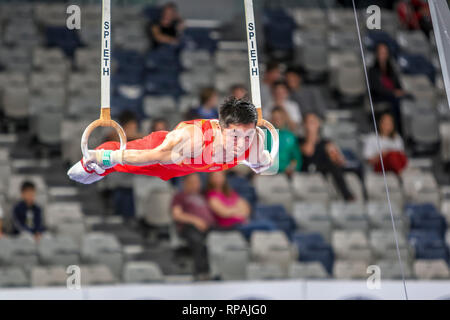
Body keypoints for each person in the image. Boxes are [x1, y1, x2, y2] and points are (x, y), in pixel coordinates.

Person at [68, 97, 272, 184]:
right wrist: (106, 156)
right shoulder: (193, 139)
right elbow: (151, 156)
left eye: (248, 136)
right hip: (161, 154)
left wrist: (262, 162)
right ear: (220, 128)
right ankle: (101, 157)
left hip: (184, 169)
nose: (241, 143)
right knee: (94, 168)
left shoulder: (253, 142)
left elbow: (262, 165)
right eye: (235, 136)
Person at [299, 113, 354, 201]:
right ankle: (347, 196)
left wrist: (334, 154)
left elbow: (340, 161)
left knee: (335, 166)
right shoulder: (300, 140)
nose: (310, 125)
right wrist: (311, 135)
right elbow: (308, 152)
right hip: (308, 167)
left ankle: (349, 196)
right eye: (308, 122)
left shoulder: (326, 142)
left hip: (326, 169)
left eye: (313, 122)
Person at [171, 173, 214, 279]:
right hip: (189, 227)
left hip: (209, 227)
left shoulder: (203, 196)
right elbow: (177, 215)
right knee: (197, 240)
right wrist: (196, 221)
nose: (196, 185)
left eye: (197, 182)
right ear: (185, 183)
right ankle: (202, 273)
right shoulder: (179, 197)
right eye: (192, 182)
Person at [368, 43, 408, 136]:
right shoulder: (372, 70)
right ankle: (398, 132)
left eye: (385, 52)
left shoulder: (391, 69)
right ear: (377, 54)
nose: (383, 55)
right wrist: (393, 93)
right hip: (380, 97)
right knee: (396, 102)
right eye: (381, 52)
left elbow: (398, 84)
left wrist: (400, 92)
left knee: (410, 98)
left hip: (394, 96)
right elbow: (377, 89)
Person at [268, 107, 302, 177]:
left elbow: (297, 158)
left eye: (280, 118)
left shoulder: (291, 136)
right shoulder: (265, 136)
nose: (277, 121)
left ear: (285, 119)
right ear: (271, 119)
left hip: (289, 175)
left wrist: (292, 168)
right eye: (275, 118)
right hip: (270, 174)